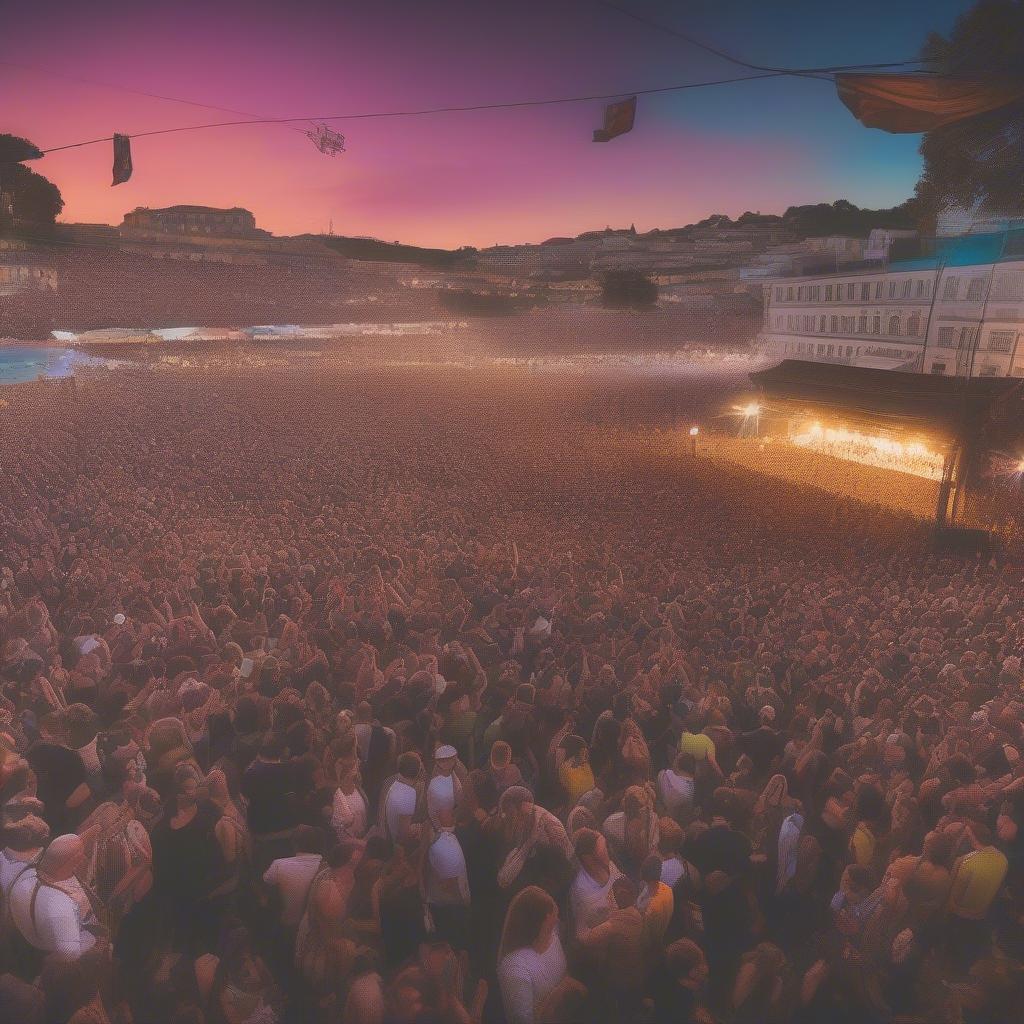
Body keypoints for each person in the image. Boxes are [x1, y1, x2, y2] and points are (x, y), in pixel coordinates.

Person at [9, 833, 102, 964]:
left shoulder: (24, 873)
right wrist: (93, 939)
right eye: (82, 854)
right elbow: (70, 955)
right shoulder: (62, 905)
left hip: (23, 938)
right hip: (47, 952)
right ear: (76, 861)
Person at [497, 886, 570, 1024]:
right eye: (554, 917)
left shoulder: (553, 933)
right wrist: (561, 991)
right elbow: (524, 1020)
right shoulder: (515, 968)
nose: (557, 920)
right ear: (542, 922)